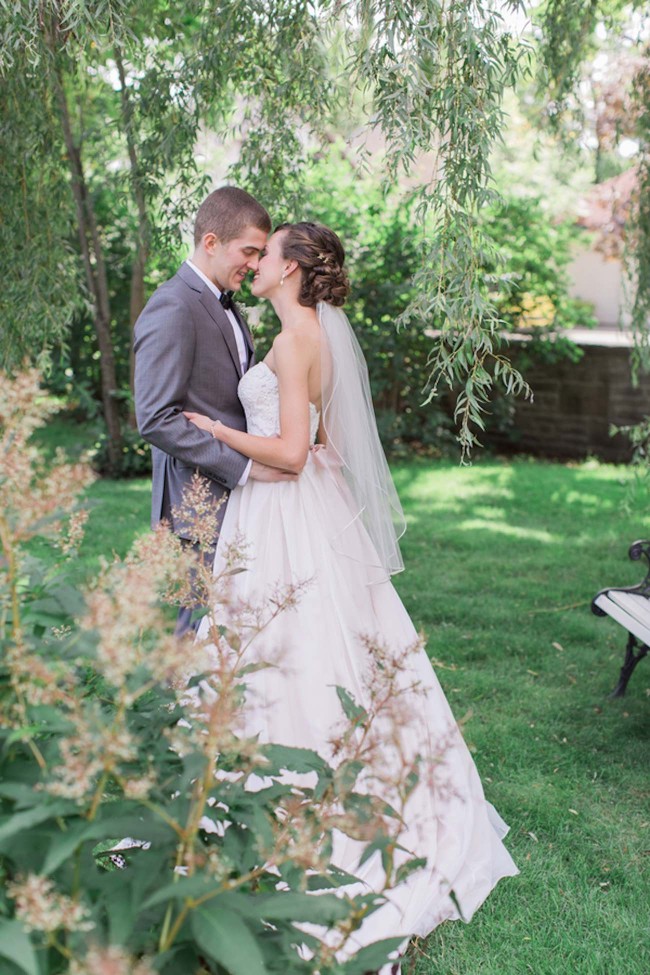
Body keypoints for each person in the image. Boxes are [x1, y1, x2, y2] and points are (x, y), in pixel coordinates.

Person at [184, 221, 518, 972]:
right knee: (310, 646)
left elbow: (294, 452)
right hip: (302, 510)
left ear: (294, 268)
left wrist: (218, 429)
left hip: (282, 509)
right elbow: (325, 442)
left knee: (285, 649)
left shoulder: (293, 340)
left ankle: (281, 805)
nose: (256, 262)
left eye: (266, 255)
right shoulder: (313, 337)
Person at [134, 187, 295, 635]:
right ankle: (181, 707)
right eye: (248, 251)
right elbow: (155, 417)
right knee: (198, 630)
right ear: (210, 242)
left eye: (261, 253)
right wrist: (244, 467)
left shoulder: (224, 303)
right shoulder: (172, 306)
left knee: (231, 628)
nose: (256, 263)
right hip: (199, 498)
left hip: (239, 495)